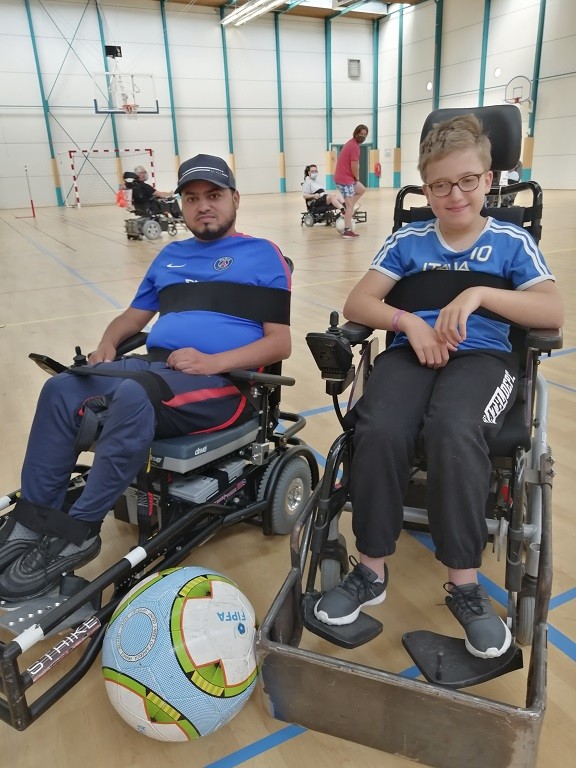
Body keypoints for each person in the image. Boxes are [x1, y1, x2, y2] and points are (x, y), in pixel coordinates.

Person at [313, 114, 563, 659]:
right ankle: (372, 569)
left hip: (485, 358)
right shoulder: (408, 240)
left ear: (489, 179)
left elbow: (552, 310)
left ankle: (466, 584)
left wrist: (478, 294)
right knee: (378, 424)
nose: (455, 195)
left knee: (454, 427)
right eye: (441, 184)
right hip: (414, 351)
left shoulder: (511, 241)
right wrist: (410, 323)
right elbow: (361, 303)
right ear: (426, 188)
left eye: (468, 180)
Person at [0, 154, 292, 602]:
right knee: (61, 388)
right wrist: (106, 346)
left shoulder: (263, 254)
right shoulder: (171, 256)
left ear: (235, 199)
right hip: (160, 371)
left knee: (135, 395)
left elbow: (279, 343)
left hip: (224, 385)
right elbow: (132, 317)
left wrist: (213, 363)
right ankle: (31, 524)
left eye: (213, 196)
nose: (203, 206)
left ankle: (78, 532)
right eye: (192, 198)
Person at [333, 124, 368, 239]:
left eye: (365, 135)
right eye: (361, 134)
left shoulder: (352, 143)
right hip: (344, 179)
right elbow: (354, 166)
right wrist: (357, 177)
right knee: (350, 206)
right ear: (355, 133)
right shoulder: (354, 147)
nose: (362, 136)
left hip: (347, 178)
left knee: (361, 189)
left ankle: (346, 207)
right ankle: (347, 231)